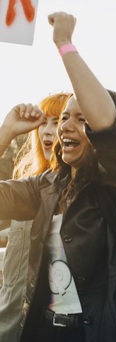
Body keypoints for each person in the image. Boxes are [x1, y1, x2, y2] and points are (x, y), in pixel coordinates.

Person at [0, 12, 116, 342]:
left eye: (81, 119)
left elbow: (109, 128)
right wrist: (5, 134)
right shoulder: (47, 186)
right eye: (64, 119)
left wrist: (64, 44)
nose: (67, 127)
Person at [0, 93, 71, 342]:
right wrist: (6, 133)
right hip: (7, 325)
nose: (48, 131)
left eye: (58, 121)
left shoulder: (79, 194)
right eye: (44, 122)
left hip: (43, 330)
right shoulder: (28, 188)